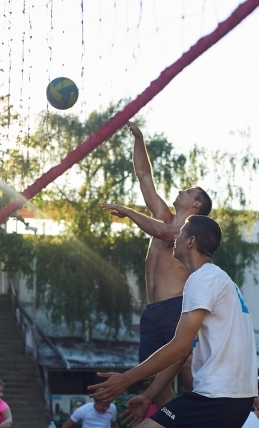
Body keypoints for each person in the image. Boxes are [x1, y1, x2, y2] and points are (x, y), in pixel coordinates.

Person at [89, 215, 258, 428]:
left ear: (191, 242)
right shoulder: (220, 280)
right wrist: (149, 395)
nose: (174, 238)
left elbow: (178, 348)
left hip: (217, 395)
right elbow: (185, 352)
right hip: (238, 397)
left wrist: (127, 378)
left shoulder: (201, 280)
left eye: (180, 234)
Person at [101, 121, 213, 409]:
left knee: (186, 365)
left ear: (197, 205)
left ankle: (209, 415)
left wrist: (128, 212)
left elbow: (162, 233)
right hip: (153, 310)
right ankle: (172, 426)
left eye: (188, 191)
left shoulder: (191, 233)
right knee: (150, 376)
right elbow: (143, 175)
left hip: (176, 307)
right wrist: (139, 140)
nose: (181, 191)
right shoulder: (164, 215)